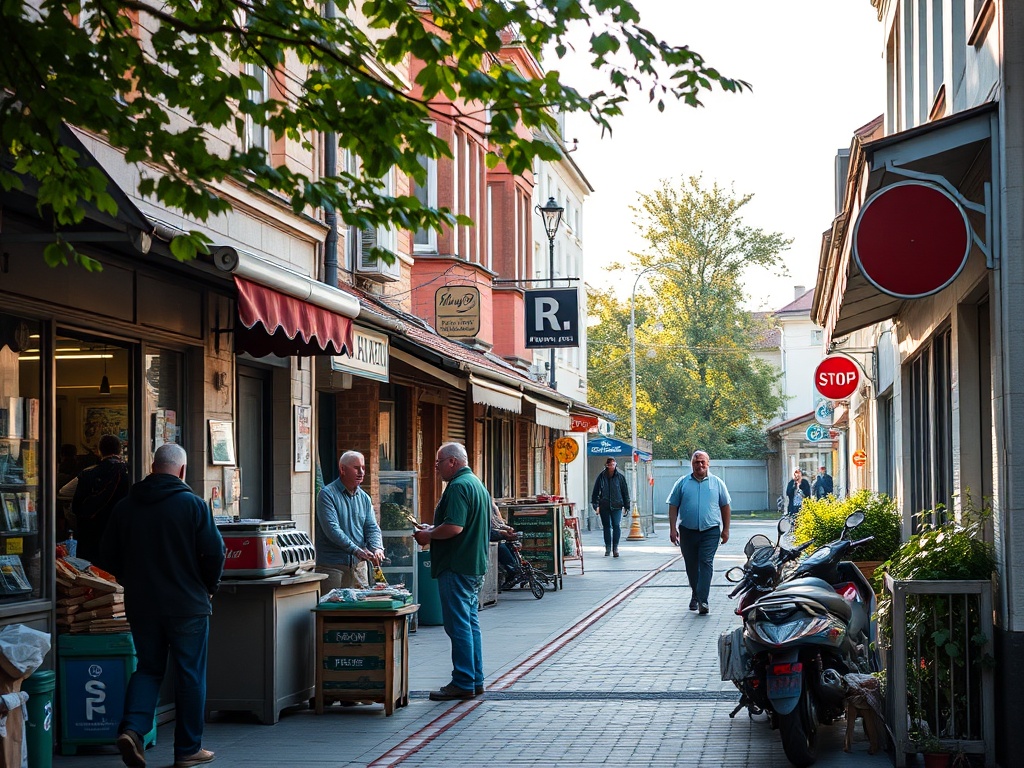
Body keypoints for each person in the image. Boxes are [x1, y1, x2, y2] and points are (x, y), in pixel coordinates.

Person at [96, 443, 225, 768]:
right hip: (188, 605)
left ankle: (132, 729)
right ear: (182, 471)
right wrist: (208, 588)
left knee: (149, 668)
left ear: (152, 468)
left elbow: (106, 556)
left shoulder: (125, 507)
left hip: (142, 604)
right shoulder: (194, 505)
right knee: (190, 674)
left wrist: (131, 580)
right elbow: (215, 552)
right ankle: (188, 749)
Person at [413, 442, 490, 701]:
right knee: (469, 624)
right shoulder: (476, 483)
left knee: (458, 626)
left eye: (439, 463)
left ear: (452, 462)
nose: (436, 468)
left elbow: (455, 527)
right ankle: (475, 679)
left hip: (457, 565)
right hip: (473, 565)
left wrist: (428, 535)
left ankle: (463, 681)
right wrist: (433, 528)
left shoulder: (458, 486)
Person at [667, 450, 731, 616]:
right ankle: (695, 594)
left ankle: (703, 600)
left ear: (708, 464)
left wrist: (726, 529)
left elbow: (725, 506)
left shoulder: (717, 483)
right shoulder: (682, 483)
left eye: (702, 462)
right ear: (692, 464)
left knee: (705, 562)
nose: (700, 465)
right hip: (687, 531)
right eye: (696, 462)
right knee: (691, 565)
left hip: (710, 531)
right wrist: (673, 529)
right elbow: (673, 505)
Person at [314, 450, 385, 590]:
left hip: (359, 566)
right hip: (333, 566)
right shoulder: (327, 495)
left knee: (362, 603)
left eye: (363, 468)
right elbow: (332, 529)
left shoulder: (364, 498)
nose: (361, 472)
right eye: (356, 468)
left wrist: (377, 548)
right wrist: (355, 550)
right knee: (334, 604)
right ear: (342, 469)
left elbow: (372, 527)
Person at [69, 434, 129, 562]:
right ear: (119, 451)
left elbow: (75, 507)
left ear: (100, 451)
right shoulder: (128, 473)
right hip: (118, 538)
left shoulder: (87, 474)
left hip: (90, 538)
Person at [590, 457, 630, 557]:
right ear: (607, 465)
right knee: (606, 526)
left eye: (613, 464)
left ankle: (615, 548)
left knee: (616, 525)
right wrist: (596, 505)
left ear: (615, 465)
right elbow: (596, 492)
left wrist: (627, 506)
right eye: (610, 465)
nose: (612, 467)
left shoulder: (620, 477)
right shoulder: (601, 477)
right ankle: (608, 548)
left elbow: (625, 492)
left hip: (617, 505)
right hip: (604, 505)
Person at [489, 502, 517, 587]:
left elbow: (496, 522)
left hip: (494, 532)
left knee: (510, 544)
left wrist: (507, 528)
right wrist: (502, 532)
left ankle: (515, 567)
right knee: (501, 547)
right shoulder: (486, 506)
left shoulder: (490, 505)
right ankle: (511, 569)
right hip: (487, 535)